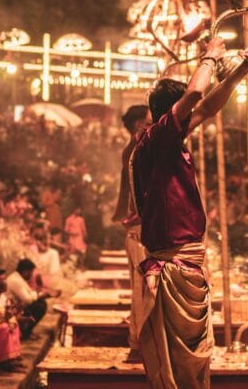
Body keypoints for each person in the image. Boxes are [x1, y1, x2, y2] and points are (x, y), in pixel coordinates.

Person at [130, 37, 248, 389]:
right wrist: (210, 59)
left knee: (191, 369)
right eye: (183, 112)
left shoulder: (168, 140)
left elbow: (205, 107)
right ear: (171, 112)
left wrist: (236, 76)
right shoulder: (156, 139)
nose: (192, 119)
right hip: (173, 265)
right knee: (177, 372)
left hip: (186, 262)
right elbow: (195, 98)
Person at [112, 104, 151, 360]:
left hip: (138, 228)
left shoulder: (135, 148)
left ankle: (140, 343)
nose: (152, 125)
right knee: (142, 292)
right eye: (149, 121)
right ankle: (140, 345)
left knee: (142, 290)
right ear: (139, 125)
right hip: (140, 230)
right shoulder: (138, 148)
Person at [5, 259, 50, 340]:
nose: (32, 275)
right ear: (25, 271)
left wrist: (38, 294)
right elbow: (27, 299)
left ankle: (27, 331)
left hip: (17, 307)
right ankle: (25, 333)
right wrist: (39, 295)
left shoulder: (19, 278)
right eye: (31, 272)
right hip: (11, 311)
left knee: (41, 302)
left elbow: (30, 293)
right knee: (40, 306)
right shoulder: (15, 280)